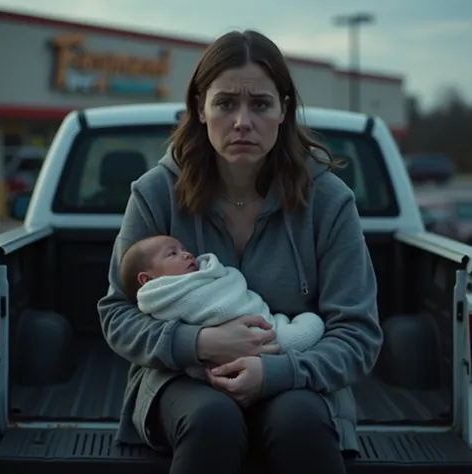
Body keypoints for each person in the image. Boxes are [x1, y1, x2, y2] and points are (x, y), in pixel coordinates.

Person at [97, 29, 383, 474]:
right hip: (182, 379)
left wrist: (277, 373)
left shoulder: (329, 200)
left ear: (283, 110)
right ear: (200, 108)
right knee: (213, 420)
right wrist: (200, 342)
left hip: (300, 380)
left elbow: (358, 333)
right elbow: (117, 313)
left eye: (261, 104)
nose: (242, 121)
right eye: (226, 103)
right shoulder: (156, 193)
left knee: (300, 424)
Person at [119, 234, 326, 379]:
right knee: (311, 326)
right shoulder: (165, 298)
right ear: (147, 279)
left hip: (264, 336)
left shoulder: (200, 277)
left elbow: (229, 288)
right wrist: (201, 342)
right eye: (172, 254)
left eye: (184, 249)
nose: (187, 254)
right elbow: (217, 308)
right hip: (264, 337)